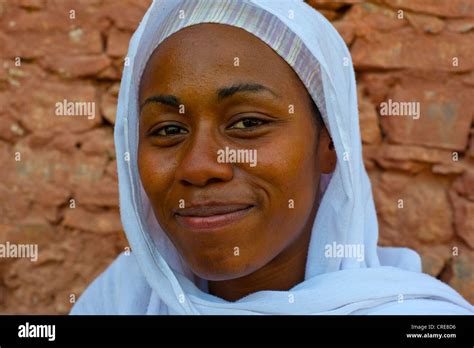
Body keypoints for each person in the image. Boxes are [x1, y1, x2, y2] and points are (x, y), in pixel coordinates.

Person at [71, 0, 473, 314]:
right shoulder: (119, 303)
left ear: (330, 144)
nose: (199, 166)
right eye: (168, 130)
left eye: (247, 123)